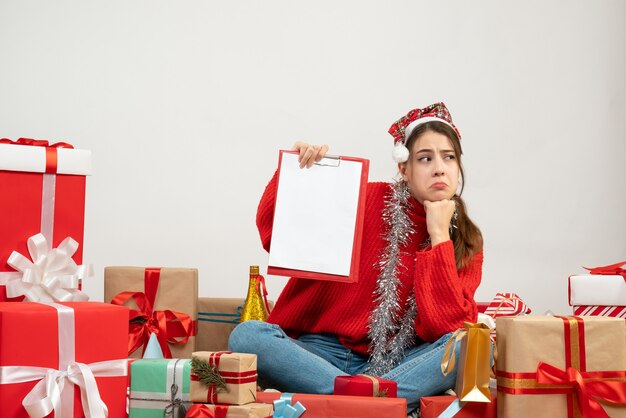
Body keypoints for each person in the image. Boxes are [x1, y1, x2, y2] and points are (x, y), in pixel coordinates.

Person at [229, 102, 484, 413]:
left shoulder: (466, 239)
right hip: (319, 352)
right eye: (425, 158)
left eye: (449, 157)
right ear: (404, 169)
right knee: (247, 336)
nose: (439, 168)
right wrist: (298, 174)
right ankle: (375, 404)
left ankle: (351, 401)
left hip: (399, 361)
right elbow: (276, 237)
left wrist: (440, 236)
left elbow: (445, 328)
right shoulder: (366, 198)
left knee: (473, 346)